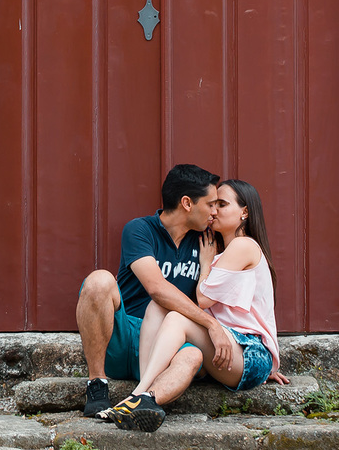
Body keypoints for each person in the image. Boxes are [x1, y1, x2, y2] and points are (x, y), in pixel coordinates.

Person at [105, 178, 289, 432]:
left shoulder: (243, 245)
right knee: (158, 307)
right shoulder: (224, 250)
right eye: (213, 204)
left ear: (244, 212)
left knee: (176, 317)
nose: (214, 211)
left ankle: (138, 395)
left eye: (222, 204)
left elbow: (203, 299)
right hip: (230, 348)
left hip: (248, 351)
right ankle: (145, 395)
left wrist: (204, 265)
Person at [76, 164, 235, 428]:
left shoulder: (206, 241)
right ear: (187, 203)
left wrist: (260, 355)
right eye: (210, 204)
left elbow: (245, 287)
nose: (214, 212)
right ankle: (97, 385)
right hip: (124, 336)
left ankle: (143, 402)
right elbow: (156, 288)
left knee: (193, 356)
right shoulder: (140, 230)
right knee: (98, 281)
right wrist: (211, 325)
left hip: (165, 344)